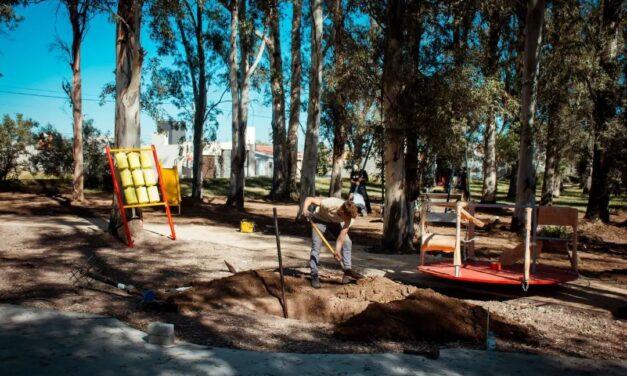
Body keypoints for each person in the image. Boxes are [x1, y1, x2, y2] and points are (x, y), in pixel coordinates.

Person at [301, 196, 361, 288]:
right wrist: (305, 209)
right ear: (342, 212)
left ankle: (347, 272)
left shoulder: (349, 218)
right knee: (316, 246)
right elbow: (309, 199)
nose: (347, 220)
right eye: (347, 218)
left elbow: (342, 236)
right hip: (319, 219)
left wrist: (337, 250)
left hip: (335, 223)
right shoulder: (329, 203)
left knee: (347, 242)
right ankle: (314, 274)